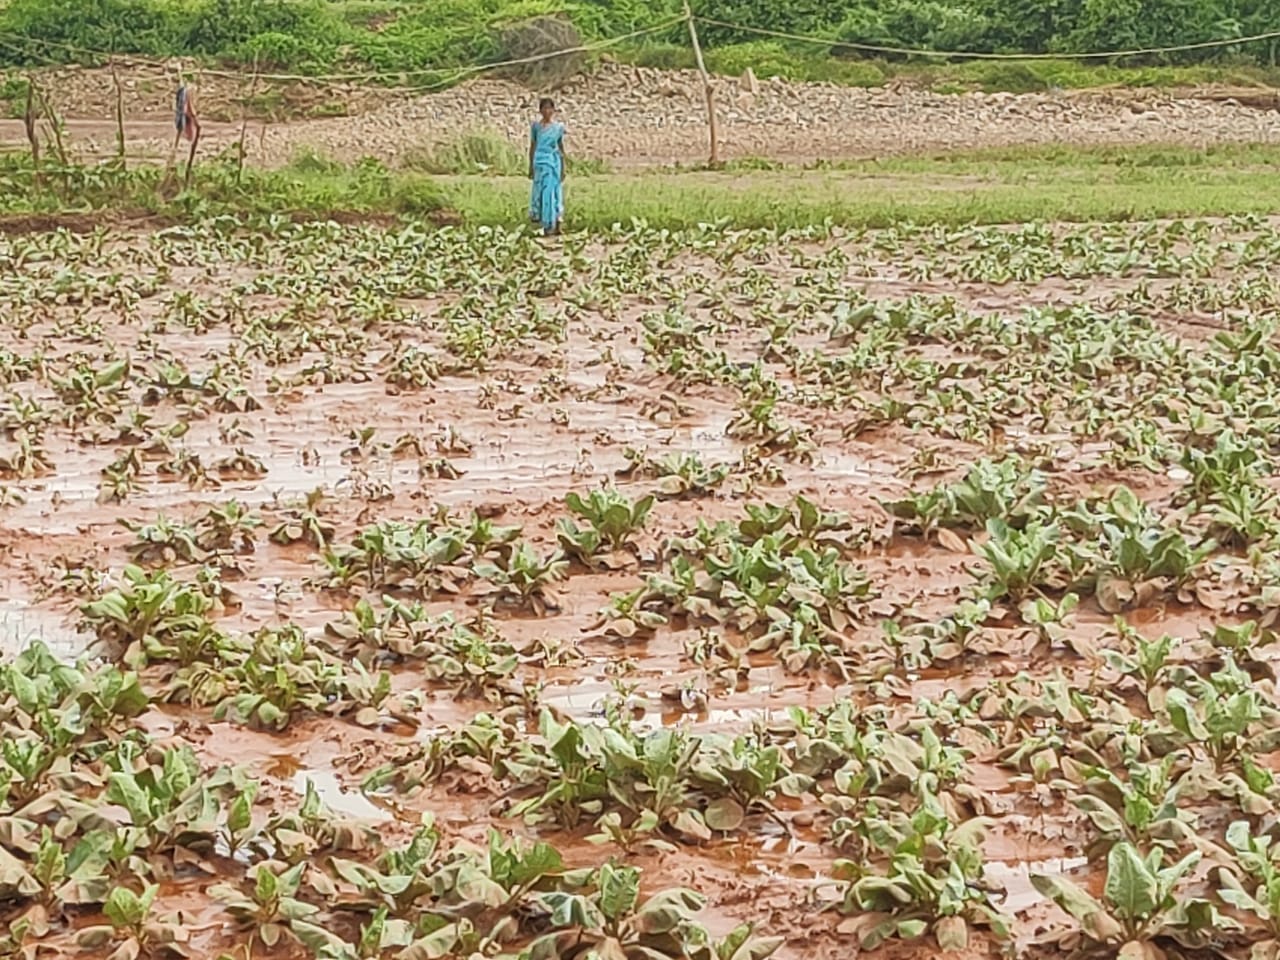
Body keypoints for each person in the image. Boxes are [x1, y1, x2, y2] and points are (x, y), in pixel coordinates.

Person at [528, 98, 566, 236]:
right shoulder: (536, 127)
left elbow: (561, 148)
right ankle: (545, 224)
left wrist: (563, 167)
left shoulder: (558, 128)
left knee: (552, 193)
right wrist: (530, 166)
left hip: (553, 162)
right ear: (540, 110)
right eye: (544, 108)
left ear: (553, 110)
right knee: (541, 193)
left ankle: (555, 223)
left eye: (550, 108)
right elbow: (533, 146)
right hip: (539, 162)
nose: (547, 111)